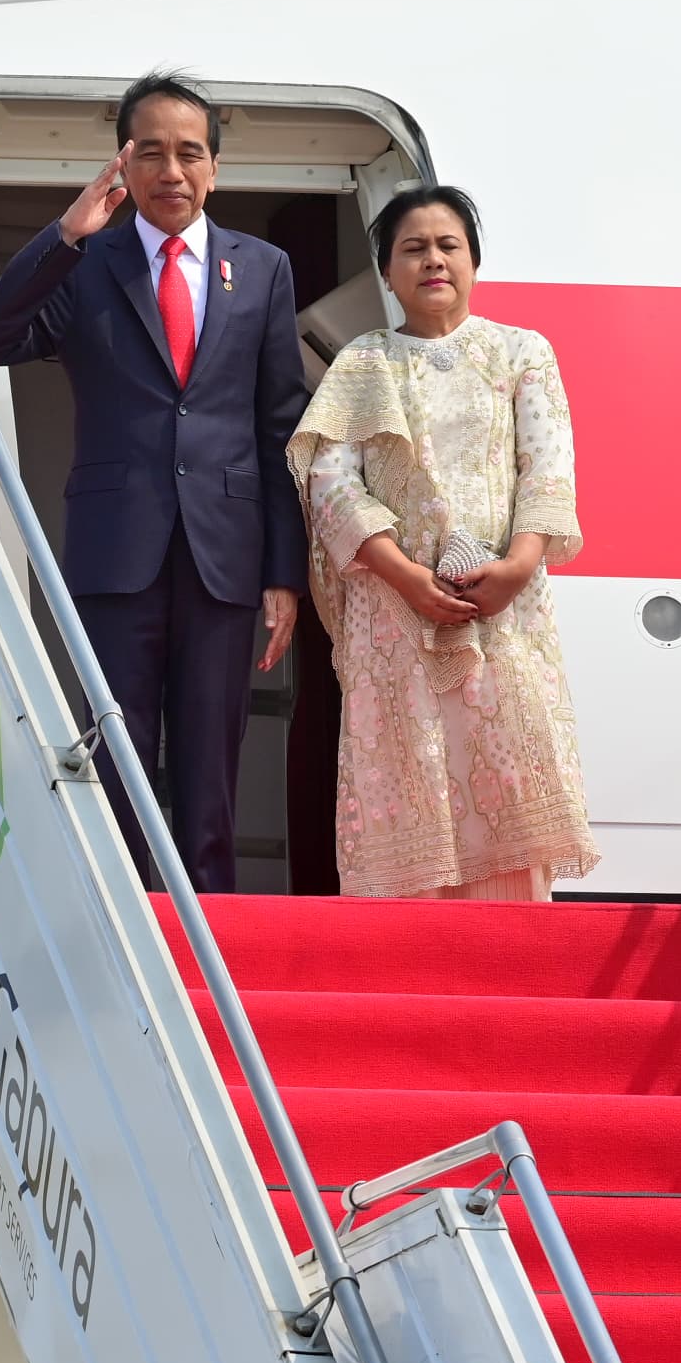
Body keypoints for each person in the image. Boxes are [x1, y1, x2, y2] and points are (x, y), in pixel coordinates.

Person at [0, 73, 304, 894]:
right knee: (115, 759)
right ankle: (120, 941)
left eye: (189, 153)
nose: (171, 170)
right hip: (118, 551)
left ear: (214, 169)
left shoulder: (261, 268)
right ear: (123, 164)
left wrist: (283, 573)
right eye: (149, 152)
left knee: (208, 775)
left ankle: (211, 950)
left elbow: (279, 426)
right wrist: (68, 232)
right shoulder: (88, 262)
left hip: (225, 552)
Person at [288, 185, 598, 901]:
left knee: (509, 768)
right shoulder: (362, 364)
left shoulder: (521, 351)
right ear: (388, 272)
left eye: (447, 244)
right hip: (393, 614)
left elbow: (546, 467)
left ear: (474, 261)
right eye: (413, 248)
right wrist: (403, 577)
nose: (432, 260)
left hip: (504, 606)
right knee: (408, 769)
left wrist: (517, 566)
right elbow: (331, 486)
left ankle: (514, 972)